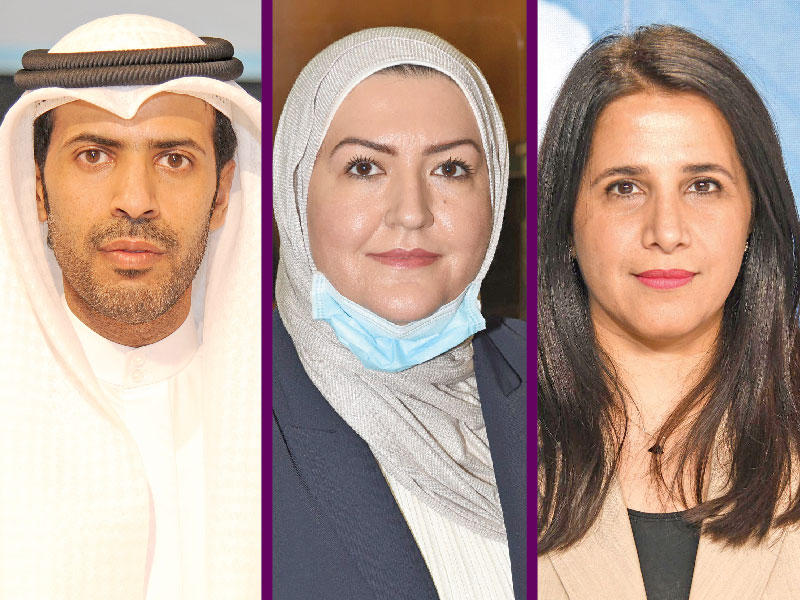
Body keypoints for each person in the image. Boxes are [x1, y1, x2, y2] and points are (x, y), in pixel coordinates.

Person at [0, 15, 261, 599]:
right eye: (94, 155)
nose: (136, 201)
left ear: (221, 195)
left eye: (174, 159)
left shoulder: (287, 426)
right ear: (38, 190)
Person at [537, 25, 800, 600]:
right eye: (625, 187)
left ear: (753, 217)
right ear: (566, 221)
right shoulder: (484, 439)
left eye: (703, 186)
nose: (666, 231)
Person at [272, 27, 526, 600]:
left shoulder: (565, 378)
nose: (411, 213)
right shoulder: (229, 408)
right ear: (296, 191)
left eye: (450, 169)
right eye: (365, 168)